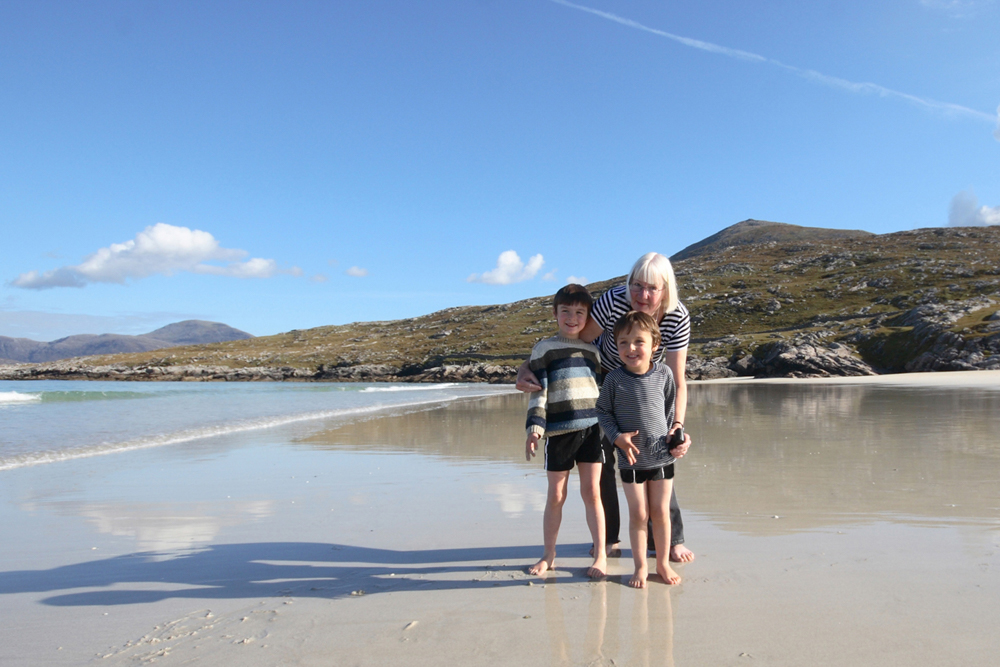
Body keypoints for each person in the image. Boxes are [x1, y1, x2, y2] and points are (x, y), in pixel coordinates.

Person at [517, 252, 694, 563]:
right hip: (600, 381)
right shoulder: (614, 301)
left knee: (657, 448)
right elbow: (574, 338)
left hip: (646, 383)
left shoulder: (677, 316)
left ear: (667, 289)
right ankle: (609, 540)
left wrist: (677, 426)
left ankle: (670, 540)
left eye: (653, 288)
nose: (643, 295)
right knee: (603, 461)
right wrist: (528, 365)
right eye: (637, 285)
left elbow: (678, 380)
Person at [524, 284, 606, 578]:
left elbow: (601, 391)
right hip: (557, 432)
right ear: (555, 313)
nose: (572, 318)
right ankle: (549, 554)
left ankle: (600, 555)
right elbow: (538, 391)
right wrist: (534, 428)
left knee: (591, 492)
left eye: (580, 312)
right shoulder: (544, 348)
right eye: (566, 312)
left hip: (592, 430)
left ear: (588, 316)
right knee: (556, 495)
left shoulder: (593, 351)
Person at [596, 311, 682, 587]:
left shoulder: (664, 374)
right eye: (623, 343)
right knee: (639, 514)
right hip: (629, 460)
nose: (631, 349)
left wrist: (674, 436)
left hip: (660, 458)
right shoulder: (613, 380)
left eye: (638, 341)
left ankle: (663, 564)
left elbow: (669, 410)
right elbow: (603, 412)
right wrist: (617, 437)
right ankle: (641, 566)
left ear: (655, 344)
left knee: (660, 512)